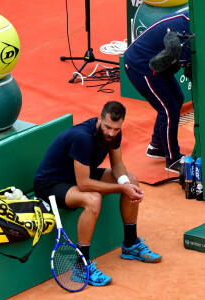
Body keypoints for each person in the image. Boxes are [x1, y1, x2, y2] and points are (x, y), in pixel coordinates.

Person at [34, 101, 161, 287]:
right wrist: (121, 188)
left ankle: (130, 244)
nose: (111, 133)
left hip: (77, 175)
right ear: (99, 118)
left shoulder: (114, 133)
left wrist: (125, 184)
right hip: (51, 185)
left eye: (116, 129)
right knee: (93, 200)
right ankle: (81, 265)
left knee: (131, 179)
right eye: (108, 127)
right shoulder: (83, 138)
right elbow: (84, 185)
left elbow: (117, 165)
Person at [123, 10, 191, 173]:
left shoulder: (190, 19)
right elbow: (192, 69)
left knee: (178, 98)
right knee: (169, 110)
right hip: (142, 67)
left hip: (159, 67)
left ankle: (157, 146)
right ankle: (172, 160)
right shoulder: (185, 32)